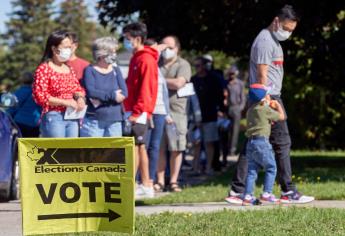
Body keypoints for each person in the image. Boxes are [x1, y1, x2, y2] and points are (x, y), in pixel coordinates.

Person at [226, 5, 314, 204]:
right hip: (268, 97)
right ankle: (288, 191)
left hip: (267, 96)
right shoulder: (265, 41)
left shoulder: (271, 40)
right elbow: (262, 73)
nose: (288, 33)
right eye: (287, 28)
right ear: (276, 21)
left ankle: (237, 190)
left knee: (253, 143)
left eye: (292, 30)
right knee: (282, 143)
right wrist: (267, 102)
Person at [122, 22, 159, 198]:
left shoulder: (146, 59)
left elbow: (147, 87)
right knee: (139, 146)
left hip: (139, 112)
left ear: (137, 38)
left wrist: (138, 112)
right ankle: (144, 183)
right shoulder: (135, 57)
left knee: (137, 146)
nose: (125, 42)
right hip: (132, 109)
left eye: (127, 38)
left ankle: (141, 183)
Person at [33, 30, 86, 138]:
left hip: (72, 116)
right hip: (54, 117)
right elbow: (40, 96)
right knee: (57, 153)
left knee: (71, 152)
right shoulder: (44, 69)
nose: (69, 50)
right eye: (66, 47)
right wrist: (66, 102)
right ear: (54, 49)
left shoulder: (69, 68)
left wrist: (80, 98)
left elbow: (77, 88)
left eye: (70, 47)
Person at [156, 35, 192, 192]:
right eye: (164, 47)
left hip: (177, 111)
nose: (166, 50)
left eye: (170, 47)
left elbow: (179, 83)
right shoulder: (156, 64)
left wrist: (160, 80)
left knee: (176, 148)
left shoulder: (183, 65)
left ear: (177, 49)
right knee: (159, 148)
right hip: (159, 110)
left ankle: (174, 181)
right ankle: (159, 181)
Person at [242, 84, 285, 205]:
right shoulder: (265, 110)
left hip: (250, 143)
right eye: (267, 94)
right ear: (263, 98)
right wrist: (278, 106)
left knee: (252, 171)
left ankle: (248, 196)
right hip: (262, 142)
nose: (269, 96)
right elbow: (282, 117)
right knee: (271, 167)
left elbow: (259, 122)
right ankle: (267, 193)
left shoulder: (250, 110)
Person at [80, 37, 127, 137]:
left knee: (113, 152)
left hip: (115, 121)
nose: (115, 55)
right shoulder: (89, 70)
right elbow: (91, 92)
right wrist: (113, 96)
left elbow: (124, 93)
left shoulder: (116, 70)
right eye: (112, 52)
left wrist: (101, 98)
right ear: (101, 54)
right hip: (94, 121)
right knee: (93, 152)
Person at [143, 39, 171, 186]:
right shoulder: (144, 64)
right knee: (143, 146)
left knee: (155, 147)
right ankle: (139, 179)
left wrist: (167, 114)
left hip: (160, 111)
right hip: (147, 111)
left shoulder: (158, 69)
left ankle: (150, 179)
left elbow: (164, 94)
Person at [191, 57, 224, 175]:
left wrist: (221, 110)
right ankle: (195, 167)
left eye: (199, 65)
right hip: (196, 117)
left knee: (210, 142)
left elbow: (219, 96)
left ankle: (209, 167)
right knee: (197, 143)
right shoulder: (193, 80)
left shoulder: (213, 79)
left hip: (210, 115)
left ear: (204, 66)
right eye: (195, 66)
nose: (197, 68)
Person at [7, 72, 42, 137]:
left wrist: (8, 119)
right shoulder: (37, 93)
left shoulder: (17, 93)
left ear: (22, 81)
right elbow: (41, 108)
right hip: (34, 123)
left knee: (21, 144)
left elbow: (12, 108)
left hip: (20, 123)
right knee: (33, 145)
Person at [224, 65, 246, 156]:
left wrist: (240, 108)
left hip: (236, 108)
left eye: (233, 74)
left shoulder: (240, 84)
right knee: (226, 130)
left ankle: (232, 150)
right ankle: (225, 149)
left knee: (235, 130)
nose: (231, 75)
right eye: (230, 74)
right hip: (227, 109)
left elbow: (243, 97)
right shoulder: (225, 83)